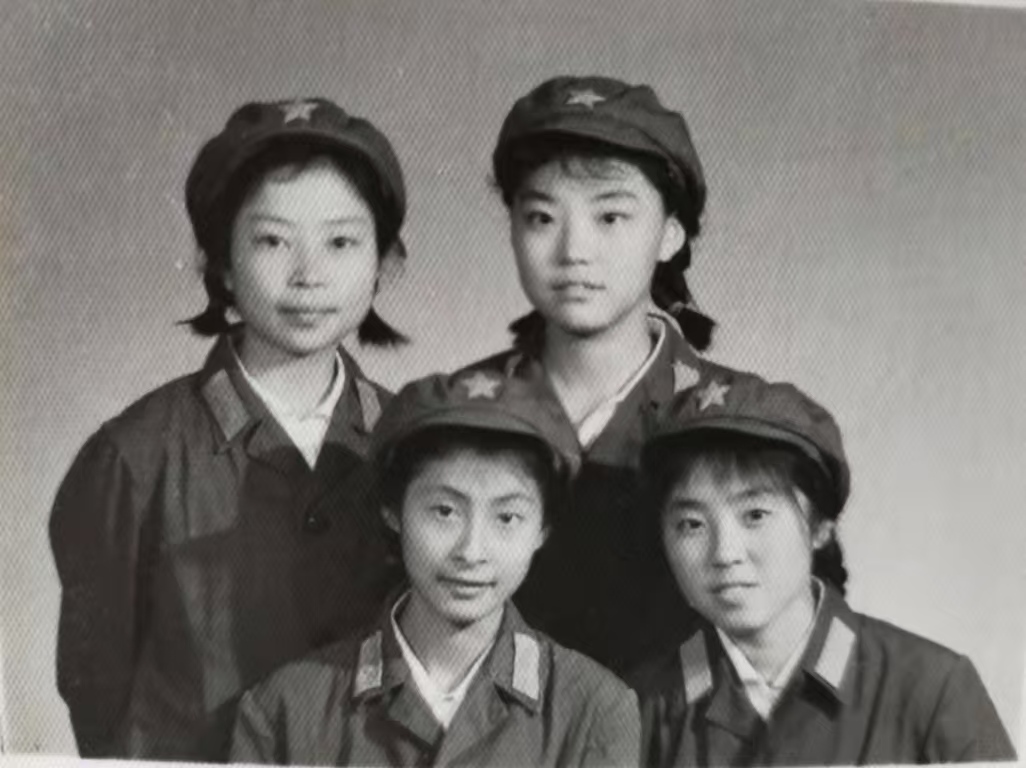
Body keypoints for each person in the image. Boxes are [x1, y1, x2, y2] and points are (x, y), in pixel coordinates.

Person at [49, 97, 408, 761]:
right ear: (218, 262)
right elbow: (95, 685)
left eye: (341, 242)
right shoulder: (134, 456)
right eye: (272, 241)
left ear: (386, 263)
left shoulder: (415, 445)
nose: (308, 276)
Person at [470, 74, 742, 674]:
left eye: (611, 217)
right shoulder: (455, 417)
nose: (575, 251)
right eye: (542, 218)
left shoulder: (745, 425)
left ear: (670, 234)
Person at [231, 370, 640, 766]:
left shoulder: (593, 709)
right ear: (393, 510)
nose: (472, 551)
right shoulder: (285, 709)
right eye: (445, 511)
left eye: (507, 517)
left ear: (542, 529)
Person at [632, 372, 1017, 765]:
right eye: (691, 524)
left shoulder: (932, 689)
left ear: (820, 528)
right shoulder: (643, 704)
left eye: (755, 515)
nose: (725, 553)